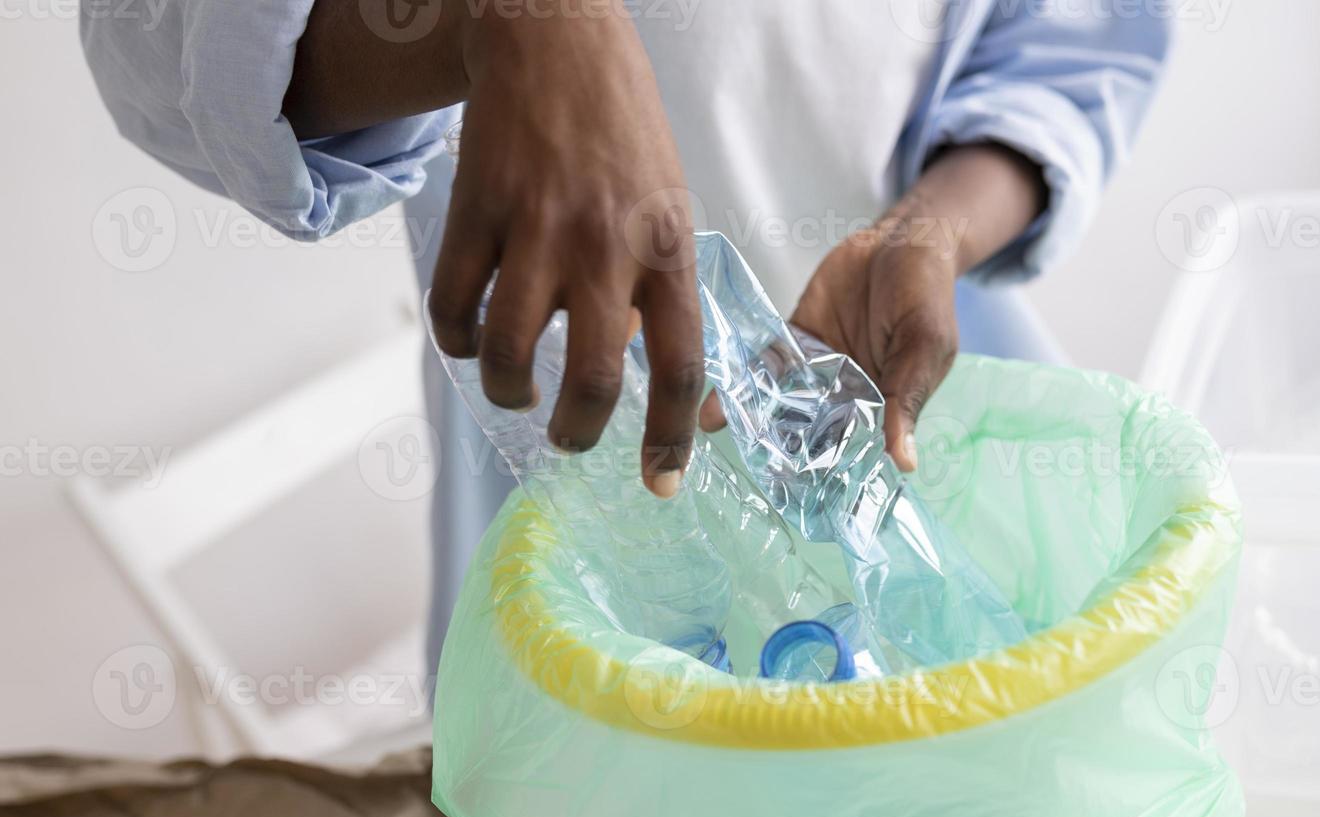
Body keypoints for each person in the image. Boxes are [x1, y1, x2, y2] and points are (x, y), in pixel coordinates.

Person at [80, 0, 1171, 675]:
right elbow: (154, 38)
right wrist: (504, 20)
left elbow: (1073, 37)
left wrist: (930, 231)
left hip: (912, 394)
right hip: (583, 488)